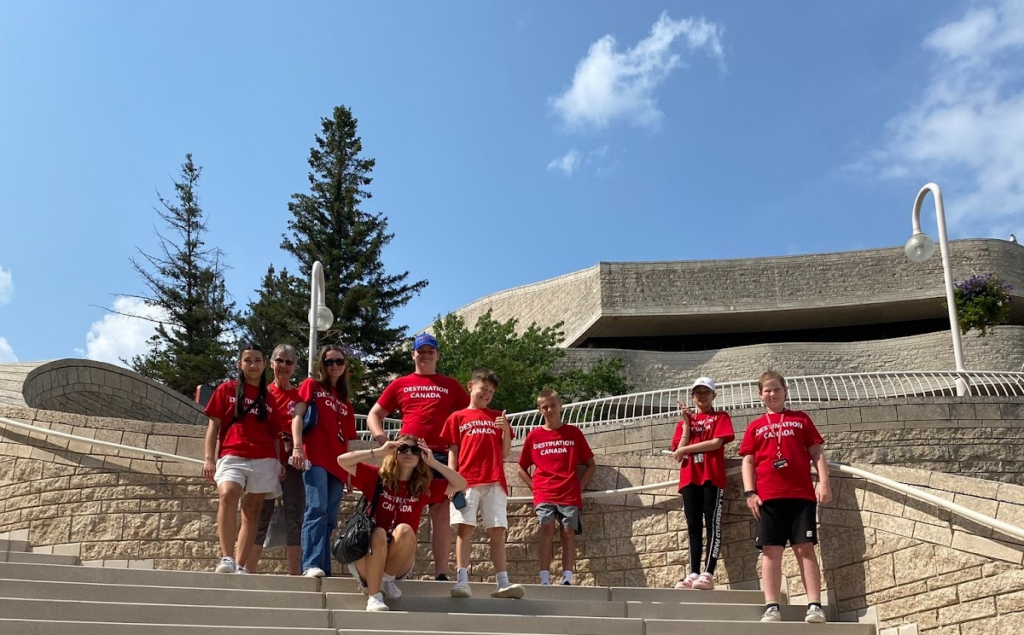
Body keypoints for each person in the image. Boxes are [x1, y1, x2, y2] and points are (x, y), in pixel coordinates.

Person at [366, 333, 469, 580]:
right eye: (420, 351)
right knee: (401, 509)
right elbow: (374, 415)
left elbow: (468, 416)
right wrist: (384, 442)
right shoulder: (400, 384)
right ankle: (399, 569)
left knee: (441, 513)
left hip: (438, 455)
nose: (425, 355)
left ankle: (441, 573)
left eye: (430, 351)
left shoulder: (450, 384)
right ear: (413, 354)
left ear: (437, 355)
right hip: (407, 453)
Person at [740, 370, 832, 624]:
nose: (772, 394)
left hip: (801, 496)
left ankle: (814, 605)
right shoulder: (755, 426)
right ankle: (772, 606)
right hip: (768, 498)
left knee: (805, 548)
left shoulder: (800, 419)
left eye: (777, 389)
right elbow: (748, 461)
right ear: (760, 395)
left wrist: (824, 483)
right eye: (767, 390)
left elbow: (816, 451)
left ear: (785, 390)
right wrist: (750, 492)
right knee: (771, 551)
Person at [337, 434, 468, 611]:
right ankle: (374, 596)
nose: (409, 453)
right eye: (403, 448)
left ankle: (385, 580)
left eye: (415, 450)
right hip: (367, 555)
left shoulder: (422, 487)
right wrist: (379, 451)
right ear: (395, 452)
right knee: (379, 532)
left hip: (398, 563)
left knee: (405, 530)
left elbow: (460, 483)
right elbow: (342, 460)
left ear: (420, 456)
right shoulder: (377, 477)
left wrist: (433, 462)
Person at [440, 369, 524, 599]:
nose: (487, 393)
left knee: (497, 530)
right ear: (470, 386)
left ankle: (502, 582)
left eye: (491, 391)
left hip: (494, 480)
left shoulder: (497, 417)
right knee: (465, 528)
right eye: (484, 388)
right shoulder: (457, 417)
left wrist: (505, 429)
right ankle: (462, 580)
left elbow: (504, 452)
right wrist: (452, 479)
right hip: (466, 481)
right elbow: (453, 450)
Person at [202, 343, 282, 574]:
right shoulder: (226, 389)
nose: (253, 365)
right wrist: (209, 458)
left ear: (264, 364)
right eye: (248, 360)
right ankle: (226, 557)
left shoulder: (270, 398)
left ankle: (240, 565)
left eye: (257, 360)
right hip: (232, 453)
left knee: (253, 510)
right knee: (227, 494)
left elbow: (274, 435)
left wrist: (278, 462)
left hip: (264, 457)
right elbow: (213, 426)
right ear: (240, 363)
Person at [289, 345, 357, 578]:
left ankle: (323, 568)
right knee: (316, 508)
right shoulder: (312, 386)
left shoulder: (346, 401)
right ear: (322, 364)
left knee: (329, 517)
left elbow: (347, 441)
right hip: (315, 457)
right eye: (329, 362)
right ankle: (310, 564)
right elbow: (297, 416)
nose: (335, 366)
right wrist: (297, 447)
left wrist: (349, 471)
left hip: (338, 464)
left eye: (339, 361)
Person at [517, 389, 596, 586]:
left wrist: (580, 486)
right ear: (539, 410)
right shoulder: (534, 436)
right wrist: (535, 487)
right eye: (545, 407)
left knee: (568, 531)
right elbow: (521, 468)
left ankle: (567, 578)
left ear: (560, 406)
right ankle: (544, 579)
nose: (549, 410)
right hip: (544, 492)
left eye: (553, 405)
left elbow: (590, 464)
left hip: (569, 493)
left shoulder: (573, 433)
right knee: (547, 527)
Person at [240, 344, 305, 575]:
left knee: (294, 518)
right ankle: (245, 573)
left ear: (294, 366)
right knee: (258, 516)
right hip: (265, 462)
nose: (284, 366)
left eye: (289, 362)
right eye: (279, 360)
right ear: (271, 363)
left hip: (293, 465)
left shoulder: (299, 397)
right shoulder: (261, 394)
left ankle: (295, 578)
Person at [669, 377, 735, 590]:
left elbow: (716, 443)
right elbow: (677, 453)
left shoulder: (720, 417)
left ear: (714, 395)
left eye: (706, 392)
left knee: (712, 523)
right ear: (692, 396)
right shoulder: (683, 423)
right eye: (698, 392)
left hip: (711, 477)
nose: (702, 396)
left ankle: (708, 572)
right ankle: (693, 572)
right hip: (690, 477)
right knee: (693, 525)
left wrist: (685, 449)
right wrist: (687, 425)